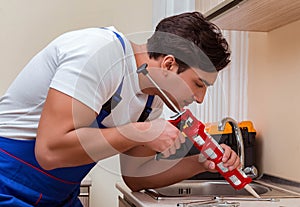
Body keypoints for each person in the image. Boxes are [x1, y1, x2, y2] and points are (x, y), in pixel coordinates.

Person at [0, 11, 239, 206]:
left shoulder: (152, 98)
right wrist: (139, 132)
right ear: (169, 64)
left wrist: (202, 162)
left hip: (58, 197)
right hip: (7, 184)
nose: (199, 98)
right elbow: (50, 151)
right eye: (199, 84)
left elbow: (136, 176)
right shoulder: (98, 53)